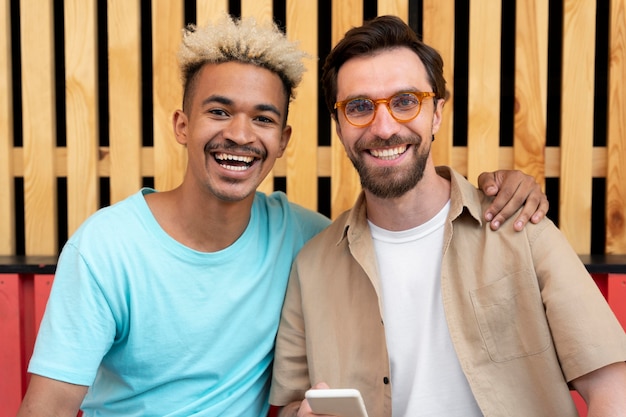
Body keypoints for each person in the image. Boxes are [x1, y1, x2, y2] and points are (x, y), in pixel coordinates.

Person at [17, 15, 549, 417]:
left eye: (263, 119)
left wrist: (505, 186)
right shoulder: (107, 247)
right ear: (183, 124)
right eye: (218, 111)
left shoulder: (310, 240)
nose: (241, 135)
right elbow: (50, 407)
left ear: (283, 141)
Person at [269, 15, 626, 417]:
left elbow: (613, 390)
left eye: (406, 101)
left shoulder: (521, 229)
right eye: (359, 107)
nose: (384, 127)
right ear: (338, 126)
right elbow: (290, 404)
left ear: (437, 112)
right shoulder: (312, 267)